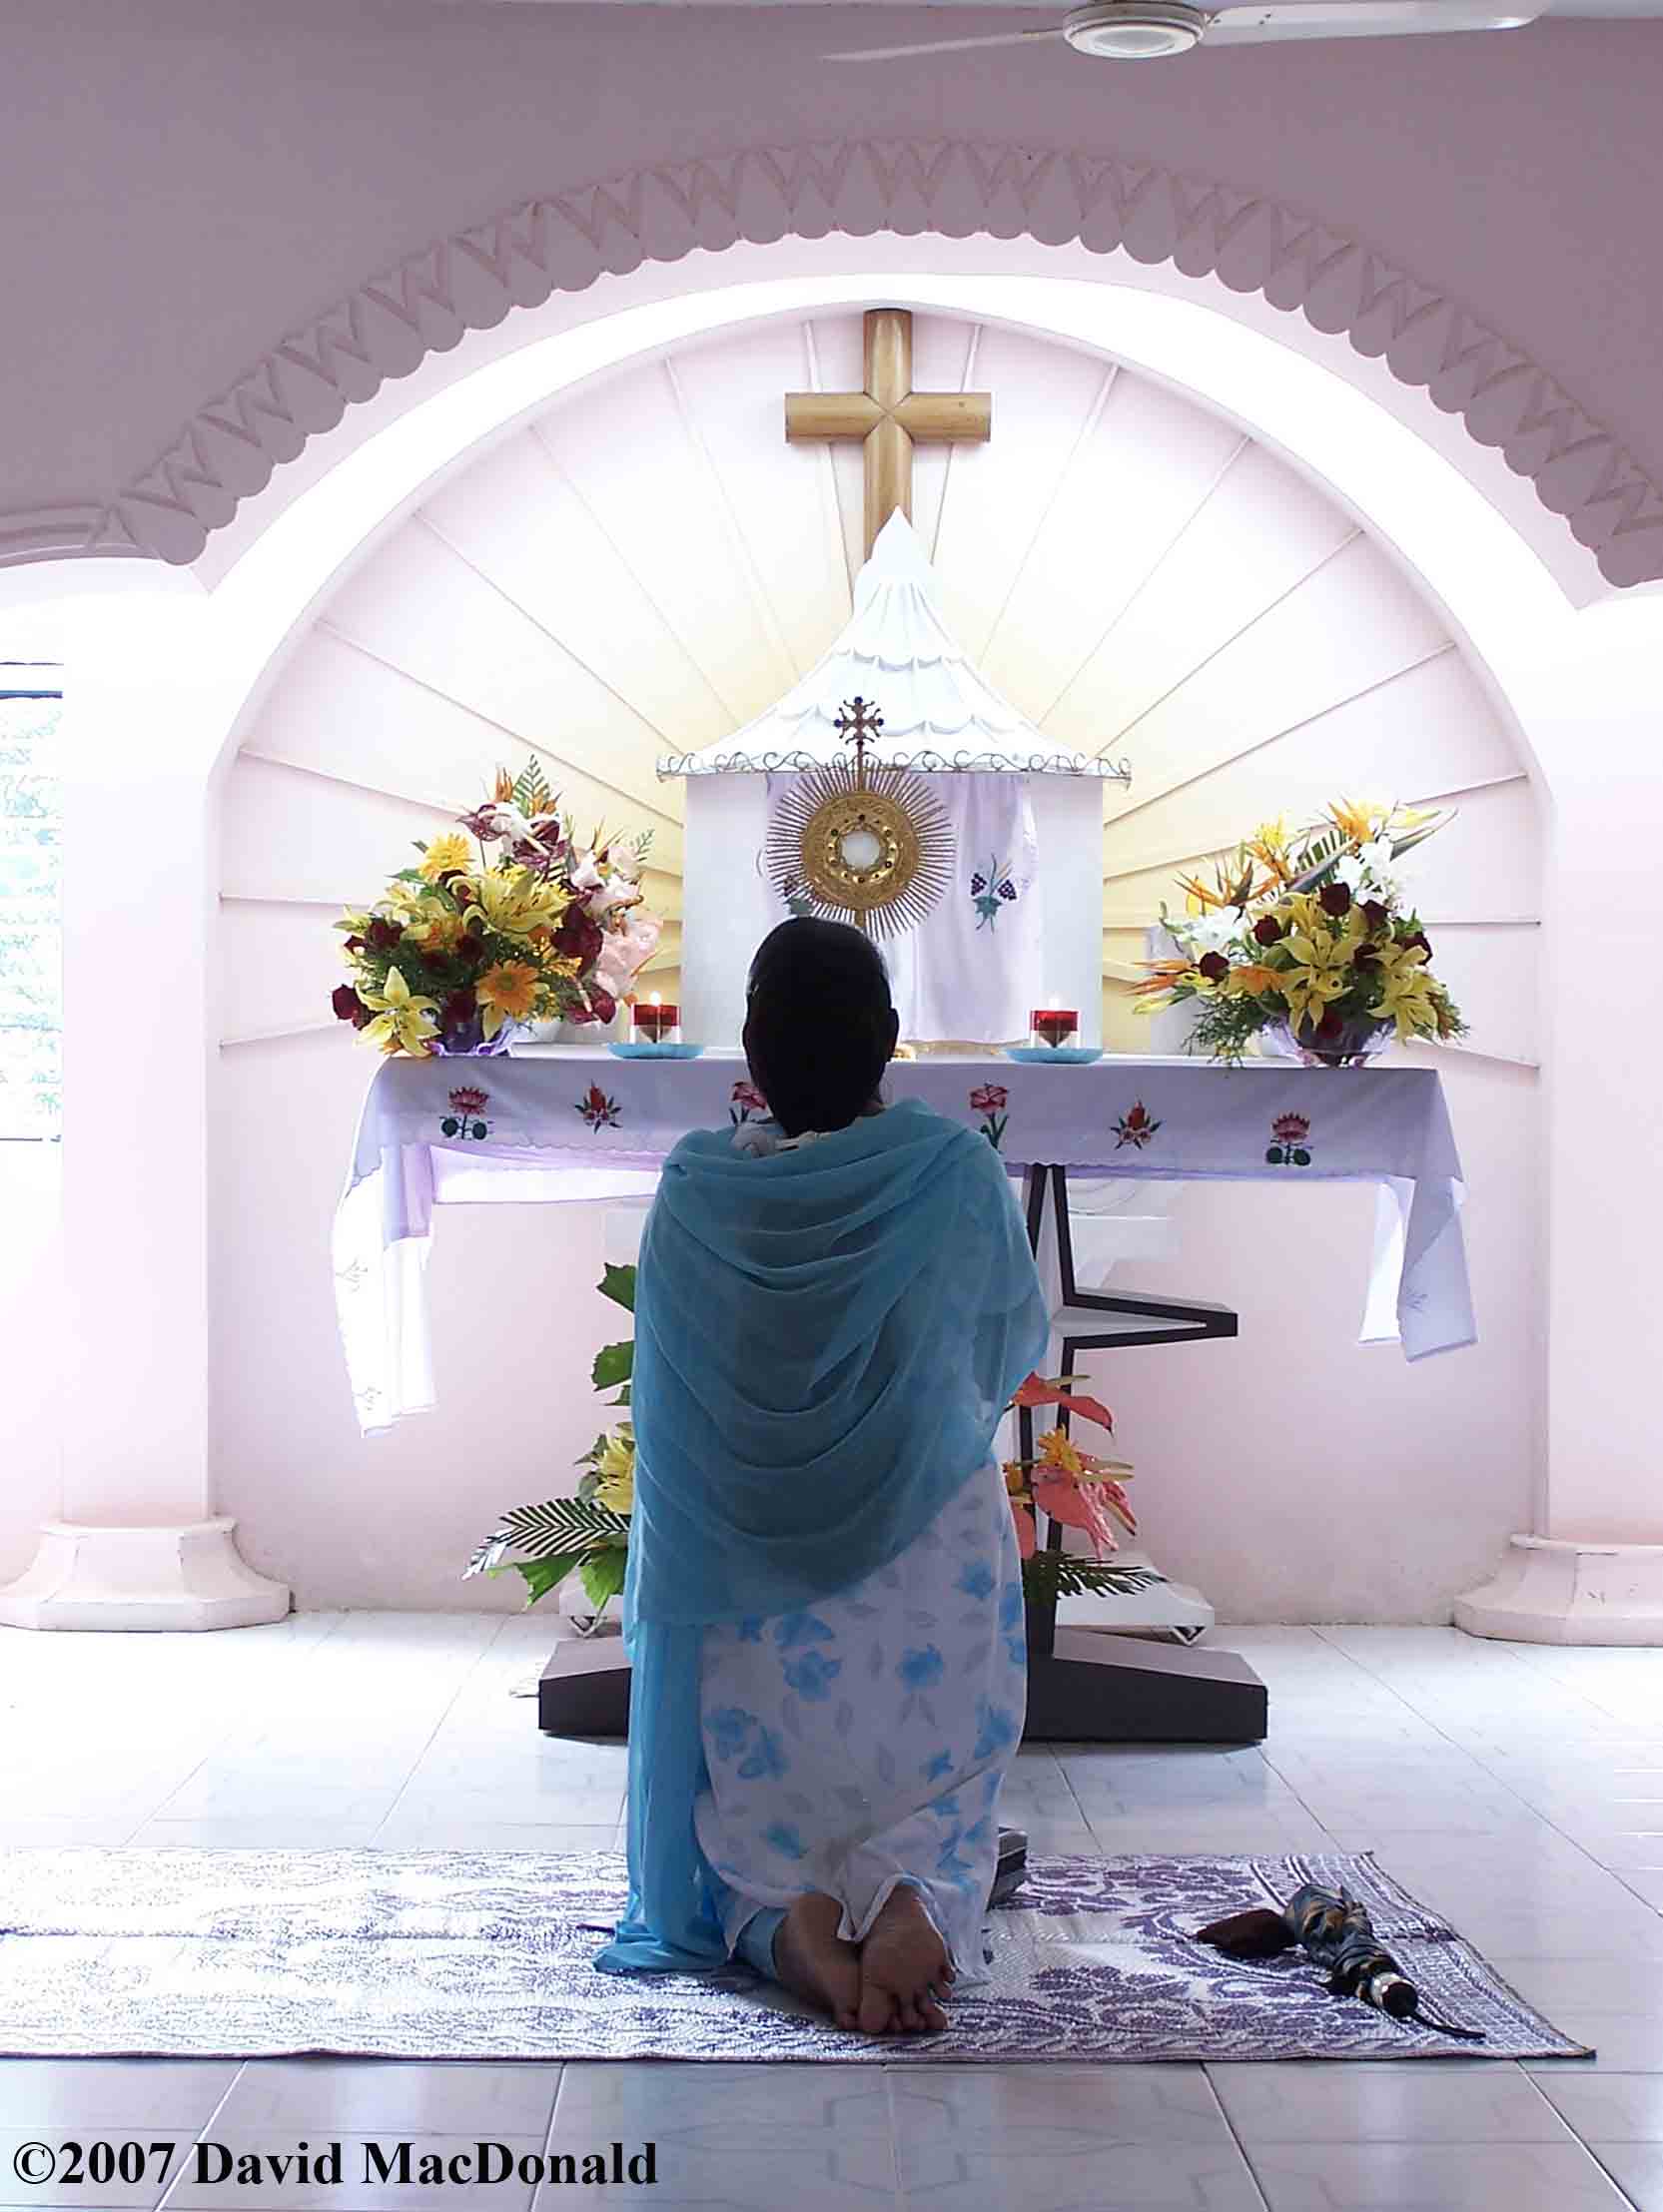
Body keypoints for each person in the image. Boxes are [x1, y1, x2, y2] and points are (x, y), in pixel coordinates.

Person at [594, 917, 1048, 2034]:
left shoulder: (698, 1192)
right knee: (946, 1760)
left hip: (748, 1566)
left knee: (749, 1799)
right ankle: (920, 1892)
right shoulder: (951, 1171)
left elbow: (670, 1412)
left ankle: (776, 1908)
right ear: (888, 1041)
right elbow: (998, 1345)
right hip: (921, 1552)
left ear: (752, 1053)